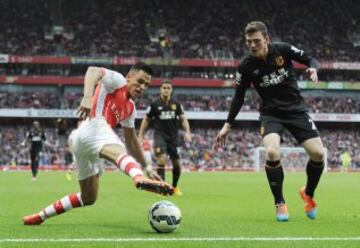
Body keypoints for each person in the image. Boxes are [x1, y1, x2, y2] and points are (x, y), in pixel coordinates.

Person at [23, 63, 174, 225]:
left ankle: (40, 216)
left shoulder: (130, 108)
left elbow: (132, 141)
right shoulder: (117, 81)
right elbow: (92, 71)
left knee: (89, 197)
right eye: (140, 81)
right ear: (129, 76)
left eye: (146, 85)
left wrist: (148, 167)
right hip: (93, 125)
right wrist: (87, 97)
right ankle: (137, 178)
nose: (142, 87)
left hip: (85, 143)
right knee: (119, 149)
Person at [216, 21, 325, 222]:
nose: (252, 45)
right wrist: (227, 125)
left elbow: (311, 59)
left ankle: (308, 194)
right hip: (271, 114)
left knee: (318, 154)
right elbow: (238, 97)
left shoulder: (282, 50)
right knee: (272, 151)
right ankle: (280, 203)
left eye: (256, 41)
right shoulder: (246, 66)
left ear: (266, 39)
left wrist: (313, 69)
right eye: (248, 42)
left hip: (296, 111)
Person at [139, 80, 191, 196]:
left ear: (171, 90)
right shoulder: (154, 104)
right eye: (164, 87)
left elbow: (183, 119)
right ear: (160, 89)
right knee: (161, 158)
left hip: (174, 138)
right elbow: (146, 120)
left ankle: (174, 187)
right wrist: (141, 135)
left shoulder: (176, 104)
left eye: (168, 88)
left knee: (177, 163)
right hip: (159, 136)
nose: (166, 89)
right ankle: (161, 187)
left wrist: (187, 132)